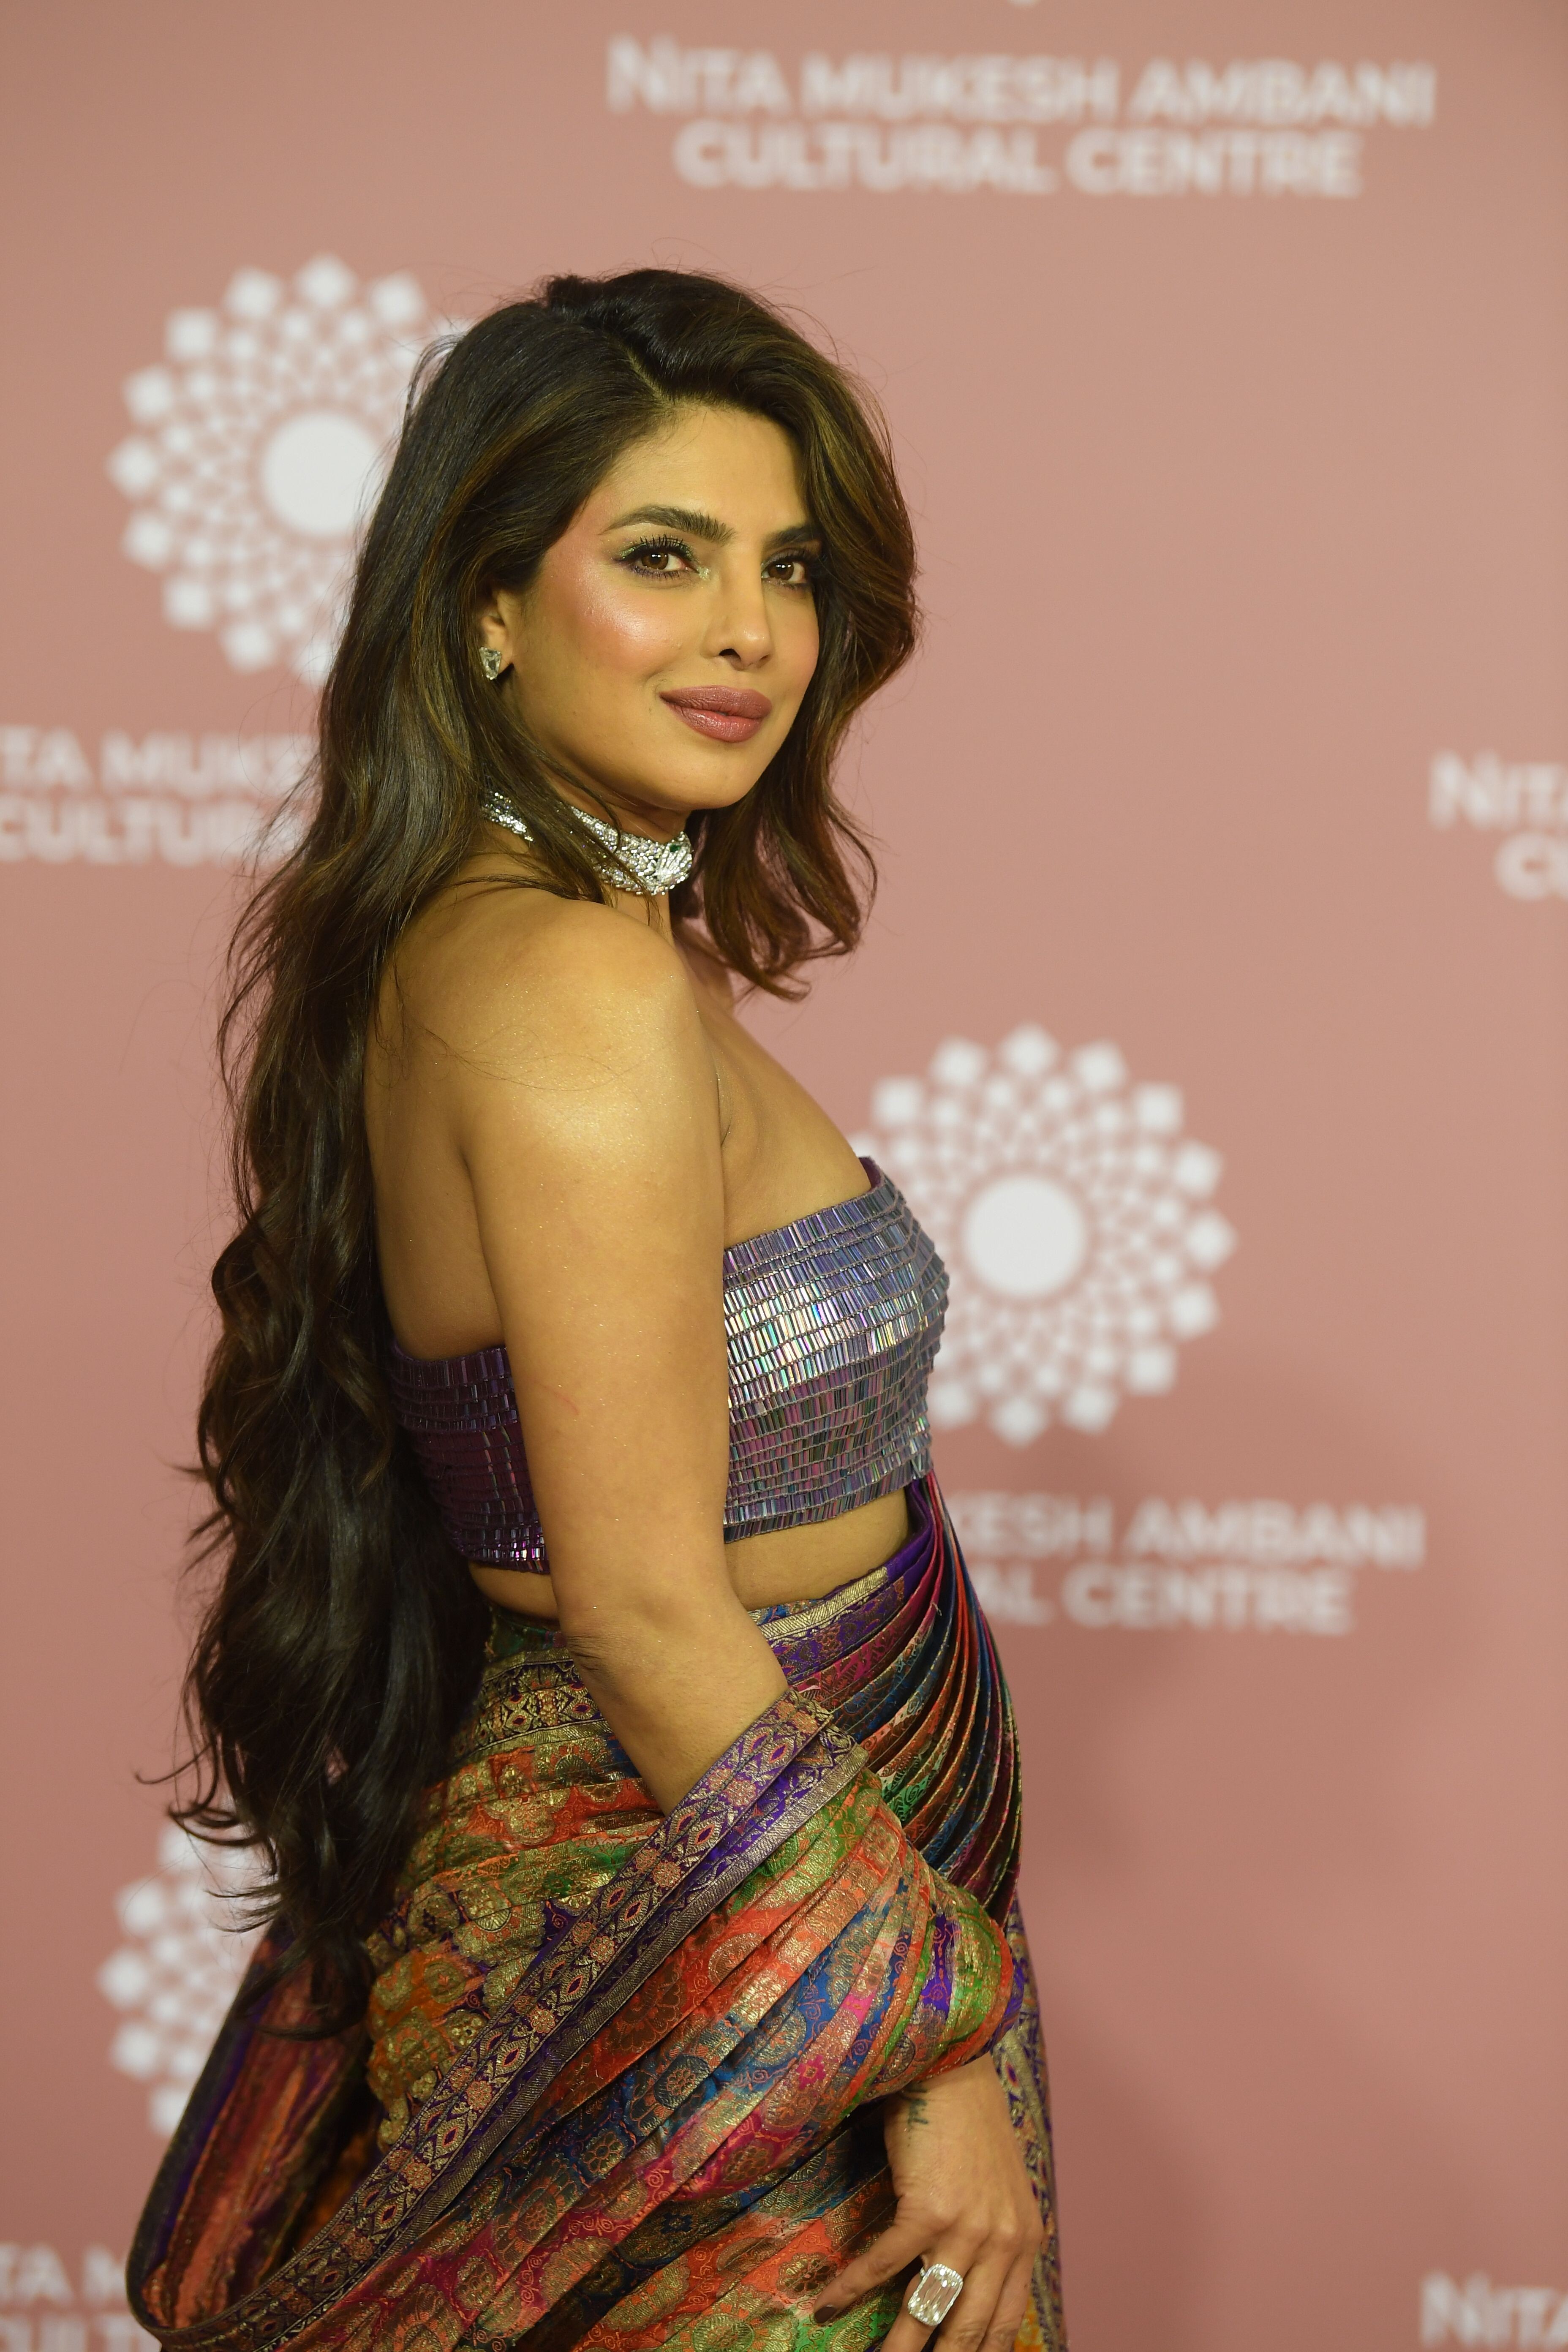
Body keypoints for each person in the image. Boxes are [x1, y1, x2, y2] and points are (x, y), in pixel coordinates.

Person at [129, 268, 1066, 2352]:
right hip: (702, 1949)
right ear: (486, 603)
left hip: (762, 1889)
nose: (750, 631)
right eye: (663, 556)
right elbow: (641, 1608)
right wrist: (919, 2039)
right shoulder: (571, 978)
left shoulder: (530, 938)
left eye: (788, 568)